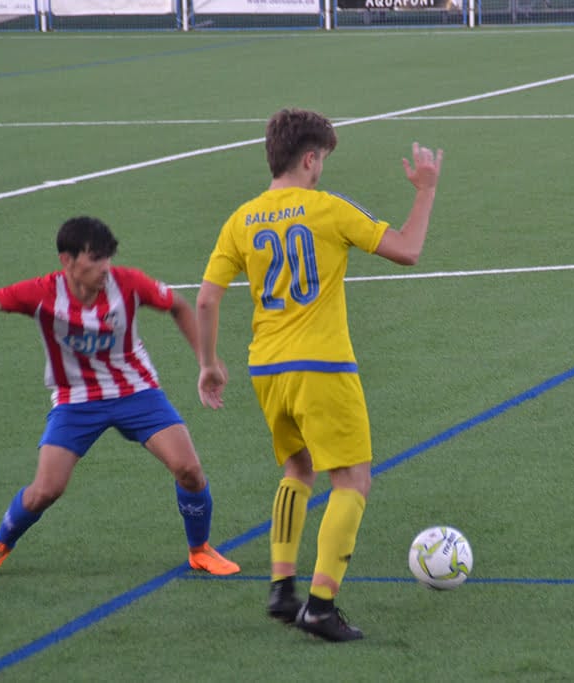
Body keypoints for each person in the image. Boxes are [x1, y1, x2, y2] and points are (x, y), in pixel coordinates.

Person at [0, 216, 240, 581]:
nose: (104, 269)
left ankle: (200, 550)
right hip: (76, 399)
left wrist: (206, 363)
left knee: (189, 470)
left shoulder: (127, 284)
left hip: (136, 391)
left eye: (107, 259)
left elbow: (178, 305)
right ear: (67, 260)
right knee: (45, 491)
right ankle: (0, 543)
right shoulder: (41, 294)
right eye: (94, 260)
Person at [196, 109, 443, 642]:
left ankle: (282, 589)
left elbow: (207, 298)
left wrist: (210, 364)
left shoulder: (241, 219)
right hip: (323, 365)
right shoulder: (328, 210)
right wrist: (425, 190)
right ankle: (322, 606)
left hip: (267, 368)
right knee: (351, 479)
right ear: (310, 158)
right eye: (323, 159)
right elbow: (408, 249)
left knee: (296, 468)